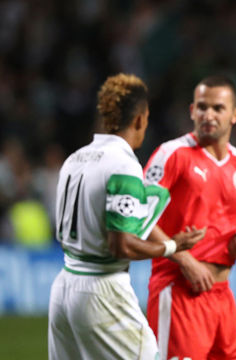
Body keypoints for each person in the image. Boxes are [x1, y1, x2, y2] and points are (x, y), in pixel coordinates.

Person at [48, 73, 205, 360]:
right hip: (101, 290)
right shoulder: (123, 165)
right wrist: (172, 246)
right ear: (139, 120)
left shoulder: (75, 159)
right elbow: (122, 245)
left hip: (64, 287)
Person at [144, 75, 236, 360]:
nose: (208, 115)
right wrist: (184, 259)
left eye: (217, 108)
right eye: (202, 107)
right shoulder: (171, 154)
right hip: (178, 290)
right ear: (191, 111)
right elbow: (140, 216)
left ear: (234, 115)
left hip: (223, 295)